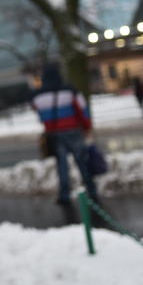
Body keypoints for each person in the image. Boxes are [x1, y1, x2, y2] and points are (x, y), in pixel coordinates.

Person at [31, 63, 98, 205]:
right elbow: (82, 109)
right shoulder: (69, 90)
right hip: (73, 130)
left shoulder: (38, 95)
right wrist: (87, 127)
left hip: (53, 133)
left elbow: (38, 112)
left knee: (62, 165)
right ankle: (91, 191)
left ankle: (64, 194)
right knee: (82, 161)